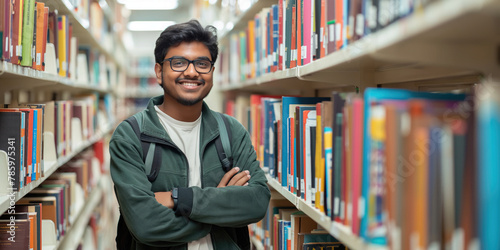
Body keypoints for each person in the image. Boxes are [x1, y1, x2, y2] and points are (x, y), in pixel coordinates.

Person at [109, 19, 271, 250]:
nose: (192, 72)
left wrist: (178, 199)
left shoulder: (231, 131)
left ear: (212, 72)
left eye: (202, 64)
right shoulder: (131, 136)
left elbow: (256, 202)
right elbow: (144, 223)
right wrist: (219, 204)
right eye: (178, 63)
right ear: (159, 71)